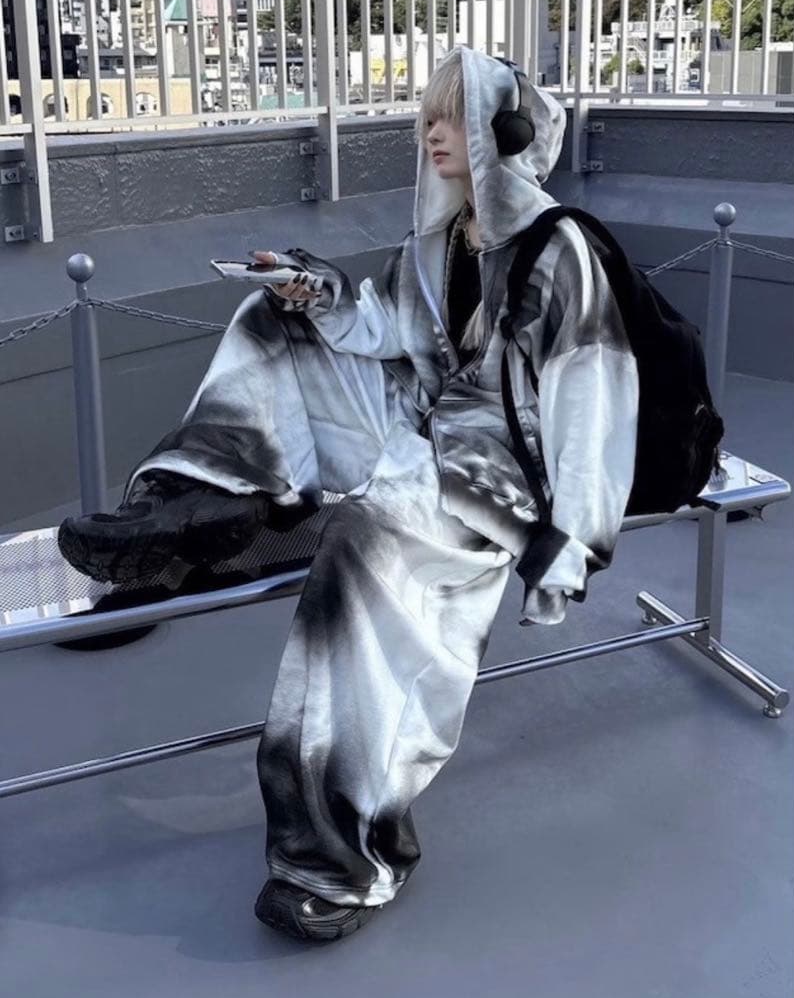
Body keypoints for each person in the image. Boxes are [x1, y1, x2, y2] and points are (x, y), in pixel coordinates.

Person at [58, 46, 639, 942]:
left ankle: (342, 853)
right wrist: (314, 293)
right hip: (418, 425)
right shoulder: (442, 238)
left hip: (494, 480)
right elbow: (386, 332)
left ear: (505, 132)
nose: (430, 133)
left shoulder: (559, 250)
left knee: (360, 547)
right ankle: (193, 500)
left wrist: (574, 545)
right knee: (270, 319)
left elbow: (594, 398)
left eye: (449, 117)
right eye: (427, 118)